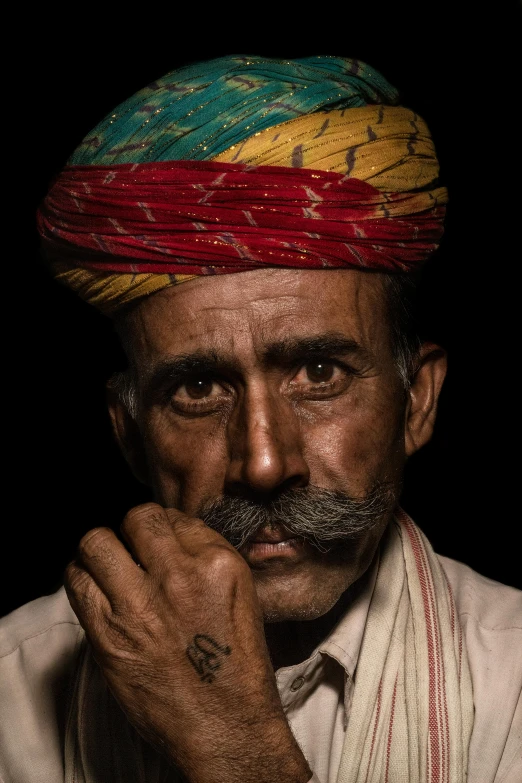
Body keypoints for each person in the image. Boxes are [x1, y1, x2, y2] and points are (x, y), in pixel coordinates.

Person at [1, 54, 520, 783]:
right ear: (128, 434)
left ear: (418, 400)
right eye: (200, 387)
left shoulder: (515, 682)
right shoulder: (11, 690)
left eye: (318, 374)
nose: (266, 462)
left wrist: (232, 746)